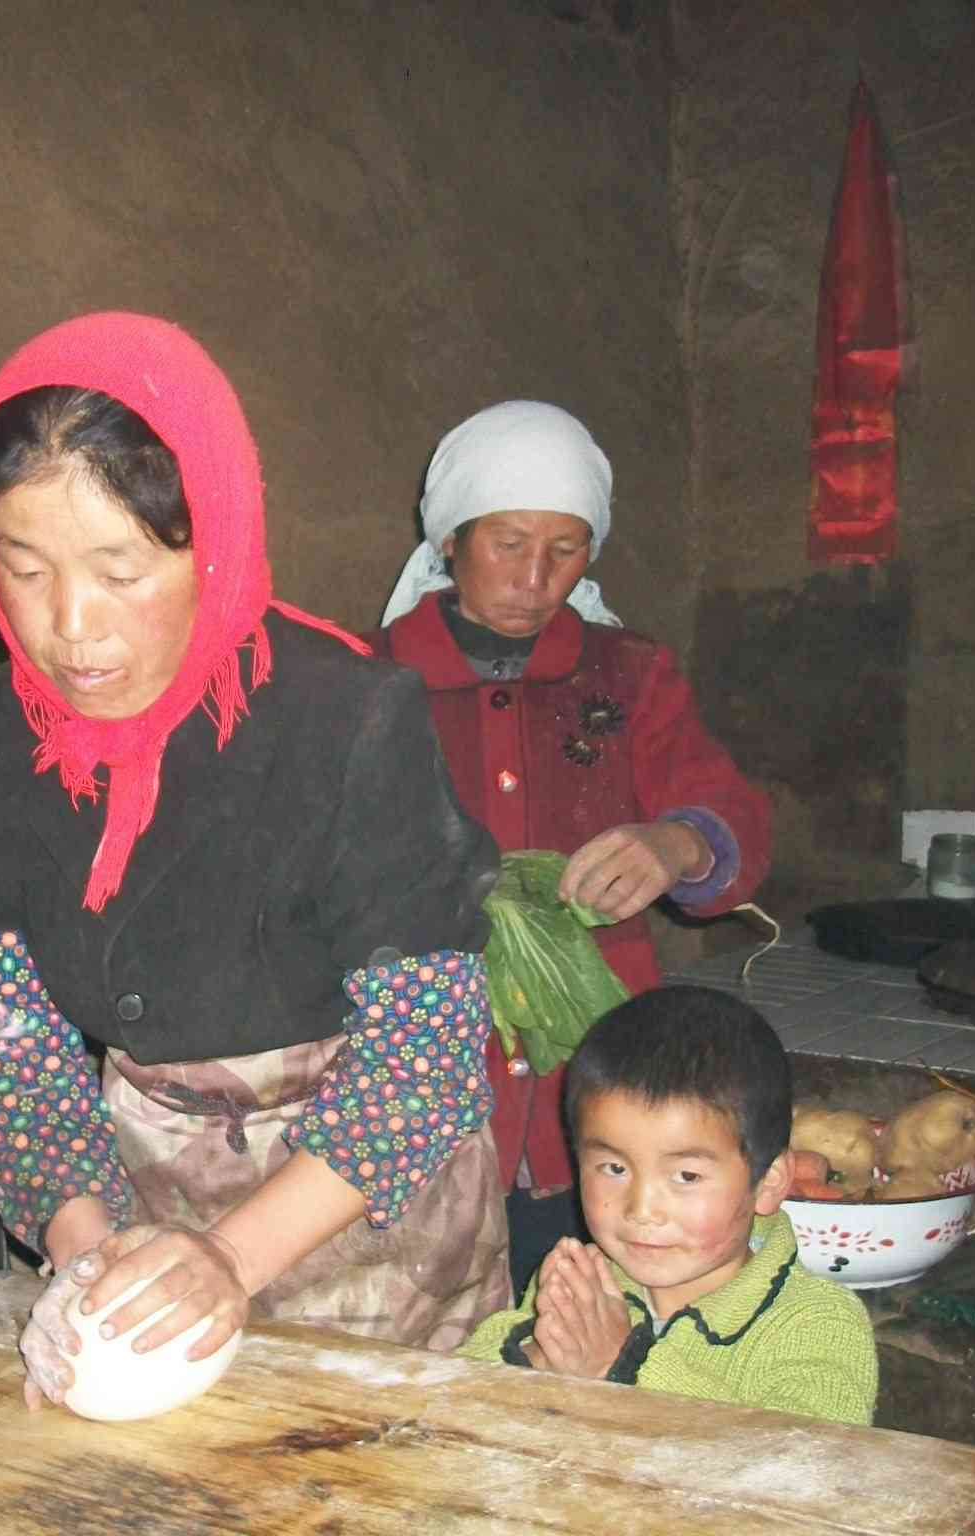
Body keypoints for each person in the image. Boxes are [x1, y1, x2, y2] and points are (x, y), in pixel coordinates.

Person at [0, 313, 510, 1412]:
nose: (70, 626)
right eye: (25, 569)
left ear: (215, 541)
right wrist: (89, 1263)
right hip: (132, 1186)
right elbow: (8, 1039)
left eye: (120, 570)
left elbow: (424, 1049)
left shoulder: (343, 720)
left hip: (360, 1206)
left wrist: (231, 1256)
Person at [372, 400, 772, 1298]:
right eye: (508, 543)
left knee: (590, 1314)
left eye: (566, 549)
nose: (535, 578)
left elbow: (732, 812)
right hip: (423, 1077)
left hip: (599, 1079)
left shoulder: (630, 674)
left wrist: (678, 843)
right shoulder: (367, 679)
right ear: (450, 539)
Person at [458, 986, 877, 1425]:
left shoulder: (819, 1322)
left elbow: (807, 1453)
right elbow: (458, 1384)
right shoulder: (583, 1284)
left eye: (686, 1177)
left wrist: (625, 1364)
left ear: (769, 1182)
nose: (641, 1210)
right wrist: (534, 1356)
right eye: (614, 1168)